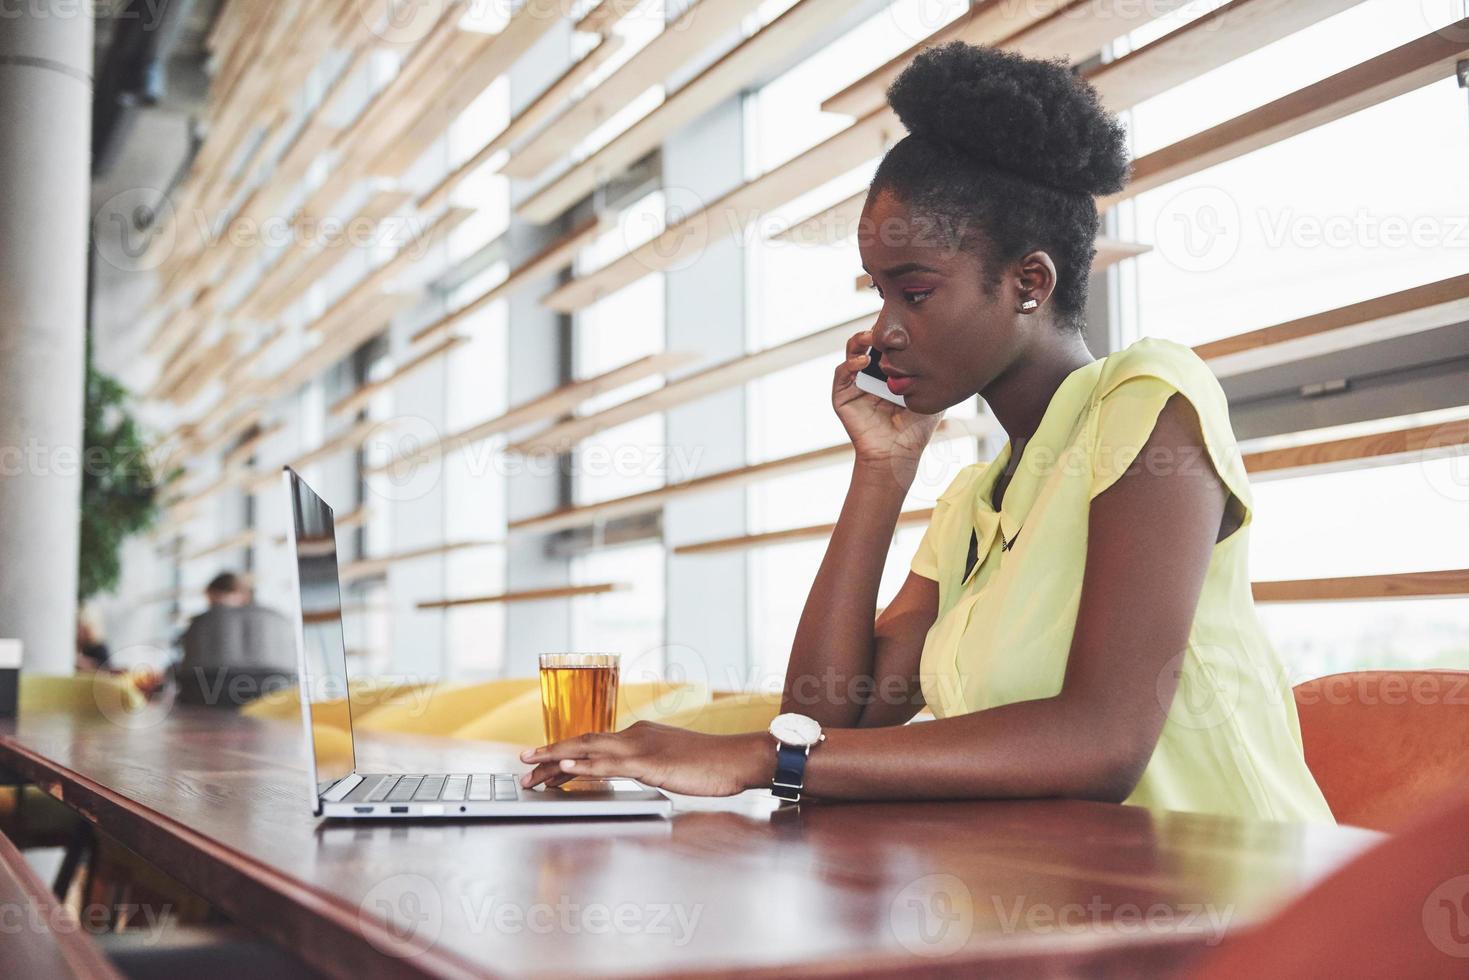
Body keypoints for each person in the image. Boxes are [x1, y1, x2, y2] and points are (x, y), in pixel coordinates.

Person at [520, 43, 1334, 823]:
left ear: (1028, 282)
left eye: (914, 292)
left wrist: (760, 757)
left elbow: (1101, 742)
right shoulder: (976, 498)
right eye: (878, 293)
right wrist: (880, 472)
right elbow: (837, 718)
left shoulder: (1149, 396)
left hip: (1244, 909)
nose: (885, 330)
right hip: (1070, 914)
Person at [175, 571, 296, 707]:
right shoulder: (278, 618)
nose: (212, 605)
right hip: (275, 691)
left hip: (207, 691)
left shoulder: (202, 621)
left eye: (213, 599)